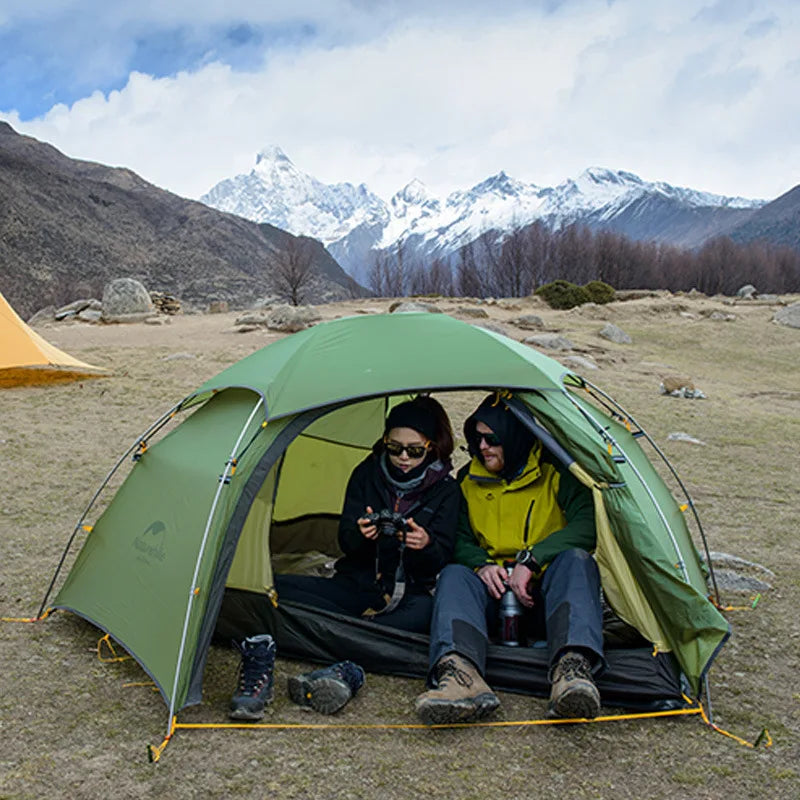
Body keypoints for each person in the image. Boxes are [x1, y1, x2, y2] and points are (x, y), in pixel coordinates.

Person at [230, 396, 461, 720]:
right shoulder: (367, 473)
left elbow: (442, 560)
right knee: (269, 590)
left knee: (423, 616)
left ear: (432, 446)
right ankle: (351, 647)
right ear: (384, 442)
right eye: (394, 448)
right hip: (359, 583)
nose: (403, 458)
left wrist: (424, 545)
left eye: (414, 449)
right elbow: (346, 543)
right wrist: (361, 534)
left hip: (412, 594)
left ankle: (344, 667)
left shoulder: (447, 492)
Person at [415, 394, 603, 725]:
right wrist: (481, 565)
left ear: (516, 437)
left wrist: (532, 562)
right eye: (477, 438)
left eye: (493, 439)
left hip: (546, 597)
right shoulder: (468, 481)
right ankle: (460, 676)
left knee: (576, 560)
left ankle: (572, 671)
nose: (483, 446)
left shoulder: (556, 472)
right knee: (456, 574)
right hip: (495, 599)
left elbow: (588, 525)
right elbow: (457, 538)